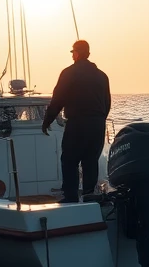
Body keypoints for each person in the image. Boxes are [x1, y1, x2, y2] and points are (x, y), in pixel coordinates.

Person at [41, 40, 111, 202]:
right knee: (90, 160)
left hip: (78, 122)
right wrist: (99, 120)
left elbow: (58, 100)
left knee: (70, 160)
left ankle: (71, 196)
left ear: (77, 53)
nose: (72, 55)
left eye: (73, 52)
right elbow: (107, 103)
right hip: (98, 124)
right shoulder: (102, 76)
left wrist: (47, 121)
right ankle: (88, 195)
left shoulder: (69, 73)